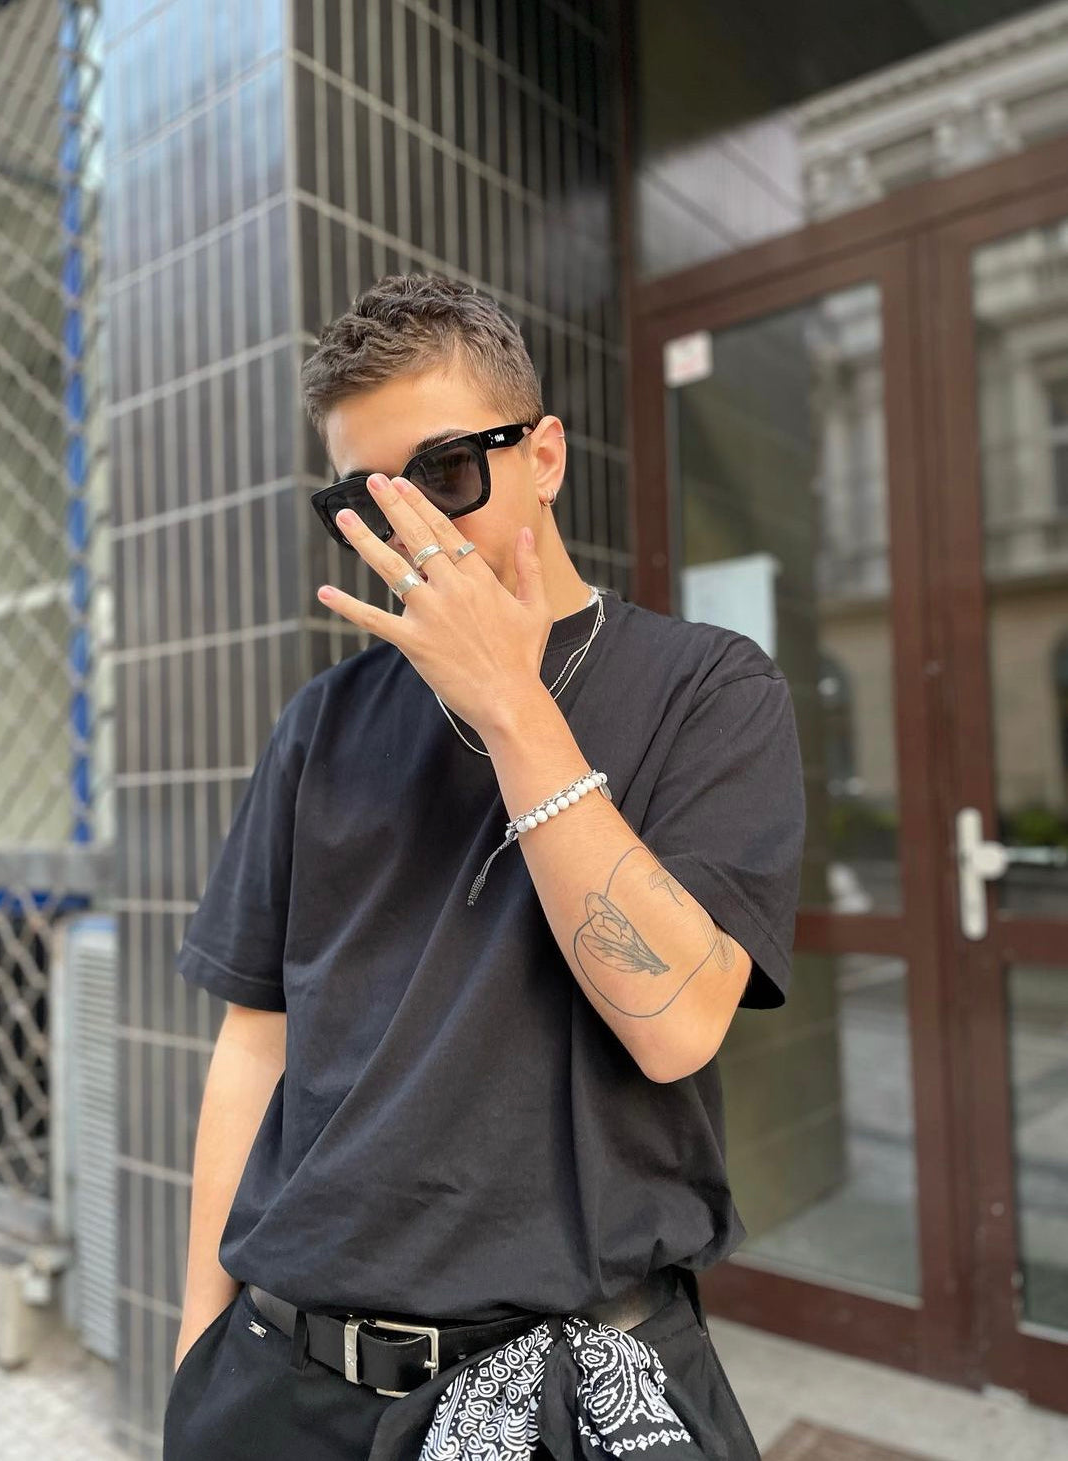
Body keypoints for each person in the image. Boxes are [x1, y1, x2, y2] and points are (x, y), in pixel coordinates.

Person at [162, 273, 806, 1460]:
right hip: (285, 1377)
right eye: (365, 501)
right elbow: (255, 1040)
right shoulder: (322, 723)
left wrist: (512, 702)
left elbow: (676, 1024)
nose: (412, 528)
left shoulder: (710, 688)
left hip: (573, 1389)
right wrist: (198, 1353)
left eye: (448, 472)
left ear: (544, 456)